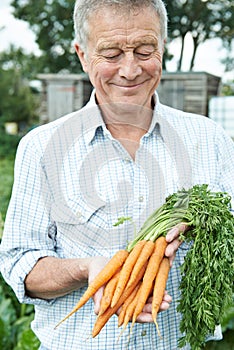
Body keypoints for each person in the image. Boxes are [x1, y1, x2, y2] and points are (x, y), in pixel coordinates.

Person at [0, 0, 233, 349]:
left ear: (163, 48)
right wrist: (87, 269)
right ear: (82, 54)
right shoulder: (41, 147)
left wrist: (200, 223)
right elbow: (21, 264)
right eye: (110, 54)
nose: (129, 70)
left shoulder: (209, 138)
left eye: (144, 50)